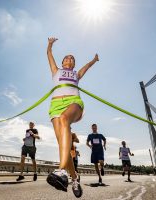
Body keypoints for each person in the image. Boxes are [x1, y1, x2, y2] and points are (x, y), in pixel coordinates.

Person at [46, 37, 99, 198]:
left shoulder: (76, 74)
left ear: (73, 64)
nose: (69, 59)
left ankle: (61, 171)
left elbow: (86, 68)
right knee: (64, 146)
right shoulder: (56, 71)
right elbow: (49, 55)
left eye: (72, 58)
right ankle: (74, 178)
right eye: (67, 57)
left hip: (73, 102)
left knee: (64, 119)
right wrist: (49, 45)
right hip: (55, 106)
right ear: (62, 63)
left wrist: (94, 60)